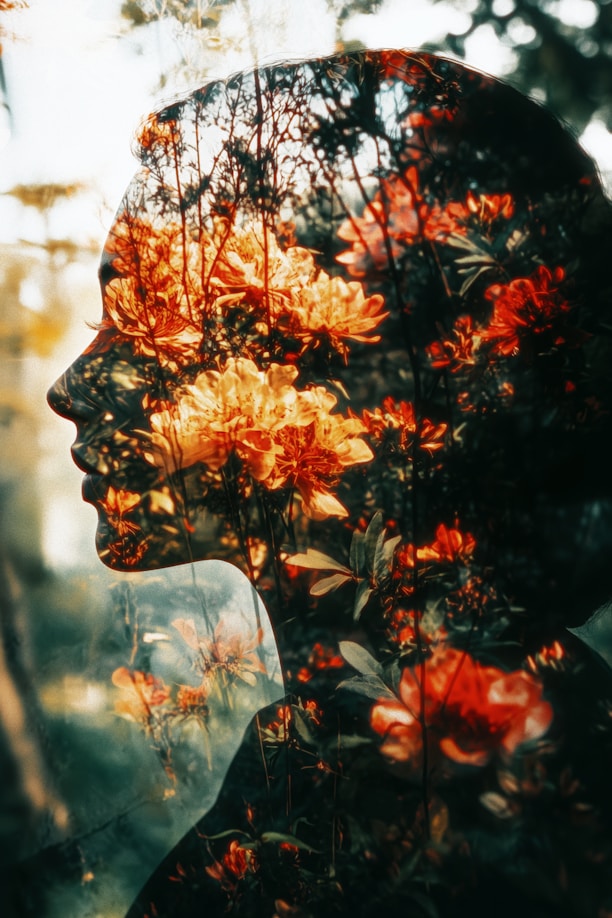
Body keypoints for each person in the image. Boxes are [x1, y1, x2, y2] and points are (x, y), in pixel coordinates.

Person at [48, 49, 612, 917]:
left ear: (318, 367)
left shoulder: (425, 794)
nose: (73, 387)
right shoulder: (355, 744)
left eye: (146, 325)